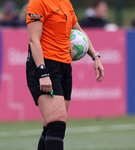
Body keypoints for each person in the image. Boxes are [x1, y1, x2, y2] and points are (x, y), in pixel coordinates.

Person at [26, 0, 104, 149]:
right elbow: (33, 40)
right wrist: (42, 72)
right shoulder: (37, 2)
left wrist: (95, 56)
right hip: (45, 65)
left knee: (51, 124)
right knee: (57, 121)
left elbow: (79, 31)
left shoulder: (65, 3)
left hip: (64, 67)